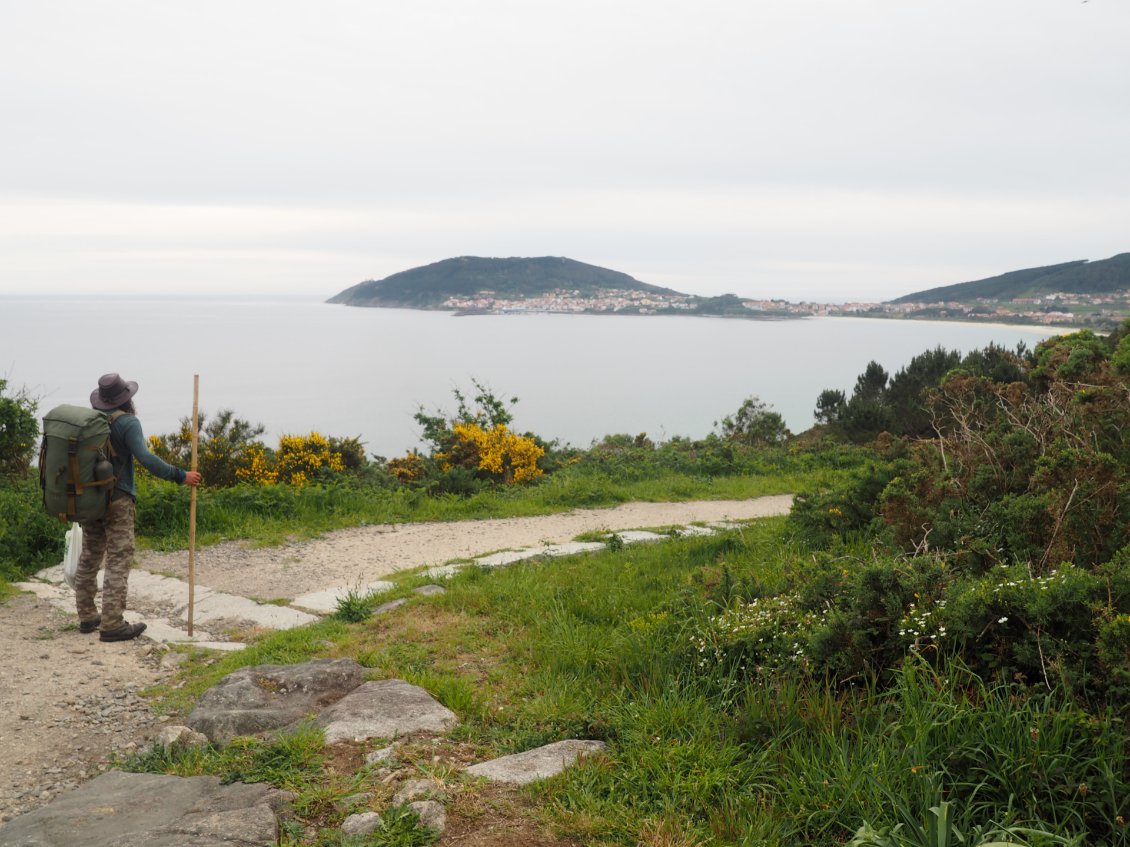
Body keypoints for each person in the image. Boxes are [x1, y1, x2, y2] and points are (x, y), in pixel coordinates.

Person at [74, 373, 202, 642]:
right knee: (118, 559)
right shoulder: (128, 423)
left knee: (89, 557)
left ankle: (87, 616)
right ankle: (112, 624)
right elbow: (146, 458)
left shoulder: (90, 421)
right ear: (126, 398)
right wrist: (181, 476)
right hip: (118, 501)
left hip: (90, 499)